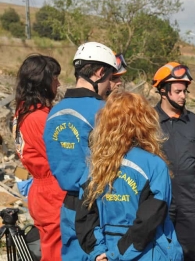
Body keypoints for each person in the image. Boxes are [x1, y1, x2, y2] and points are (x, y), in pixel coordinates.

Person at [75, 90, 183, 261]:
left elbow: (85, 217)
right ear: (144, 122)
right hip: (147, 253)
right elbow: (149, 220)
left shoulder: (94, 166)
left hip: (105, 252)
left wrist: (100, 253)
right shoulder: (154, 165)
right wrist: (116, 253)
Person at [43, 42, 118, 260]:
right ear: (100, 72)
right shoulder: (105, 112)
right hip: (101, 208)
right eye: (110, 78)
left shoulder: (54, 112)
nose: (109, 86)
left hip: (69, 208)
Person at [152, 62, 195, 261]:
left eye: (185, 91)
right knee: (157, 252)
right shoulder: (148, 121)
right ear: (163, 91)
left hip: (191, 200)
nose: (183, 96)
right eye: (177, 91)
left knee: (191, 253)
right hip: (157, 199)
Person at [12, 54, 65, 261]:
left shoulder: (23, 111)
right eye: (54, 78)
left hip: (41, 190)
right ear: (42, 81)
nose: (58, 83)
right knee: (57, 253)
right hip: (53, 191)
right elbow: (63, 157)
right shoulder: (39, 117)